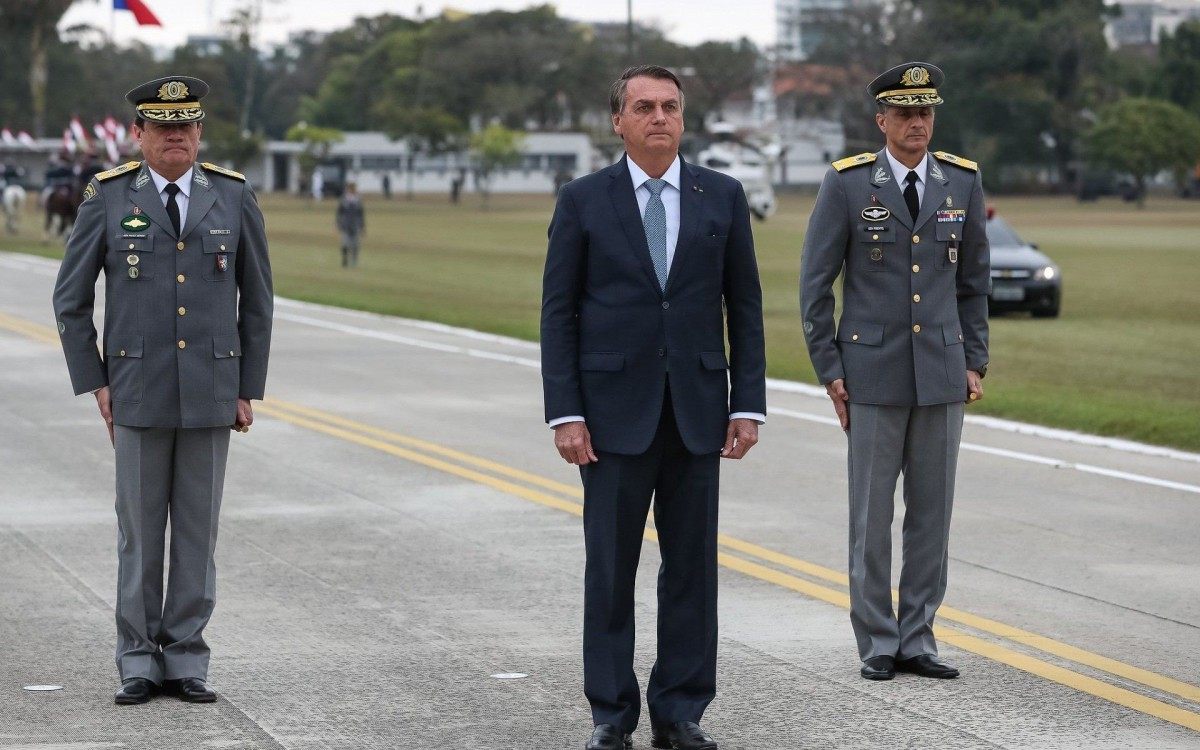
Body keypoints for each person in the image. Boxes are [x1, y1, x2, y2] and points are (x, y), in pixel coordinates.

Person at [541, 65, 766, 750]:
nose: (659, 117)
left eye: (669, 106)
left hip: (698, 412)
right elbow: (558, 313)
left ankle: (681, 711)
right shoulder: (584, 200)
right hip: (610, 417)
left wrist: (748, 403)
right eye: (643, 107)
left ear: (683, 117)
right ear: (618, 121)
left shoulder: (722, 196)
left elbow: (744, 306)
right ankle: (611, 714)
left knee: (692, 571)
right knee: (611, 569)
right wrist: (565, 412)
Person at [51, 75, 273, 706]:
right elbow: (70, 302)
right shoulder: (107, 196)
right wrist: (96, 381)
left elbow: (258, 303)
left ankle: (186, 658)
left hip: (211, 387)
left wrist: (246, 387)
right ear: (139, 133)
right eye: (162, 127)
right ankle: (138, 660)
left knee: (198, 534)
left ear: (199, 133)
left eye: (186, 126)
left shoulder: (232, 196)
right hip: (137, 387)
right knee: (140, 534)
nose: (175, 136)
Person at [799, 62, 990, 682]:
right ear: (881, 120)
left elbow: (973, 283)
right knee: (872, 517)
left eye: (925, 112)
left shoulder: (962, 182)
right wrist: (830, 368)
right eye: (905, 113)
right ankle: (878, 640)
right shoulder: (848, 183)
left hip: (941, 370)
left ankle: (919, 637)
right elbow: (815, 285)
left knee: (932, 516)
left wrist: (975, 359)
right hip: (872, 372)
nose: (917, 123)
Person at [336, 180, 365, 268]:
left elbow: (361, 213)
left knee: (355, 244)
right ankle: (345, 259)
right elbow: (339, 212)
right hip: (346, 224)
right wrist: (338, 223)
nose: (352, 190)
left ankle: (354, 260)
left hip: (355, 224)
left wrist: (362, 225)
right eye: (350, 188)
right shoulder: (344, 199)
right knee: (345, 243)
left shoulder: (358, 199)